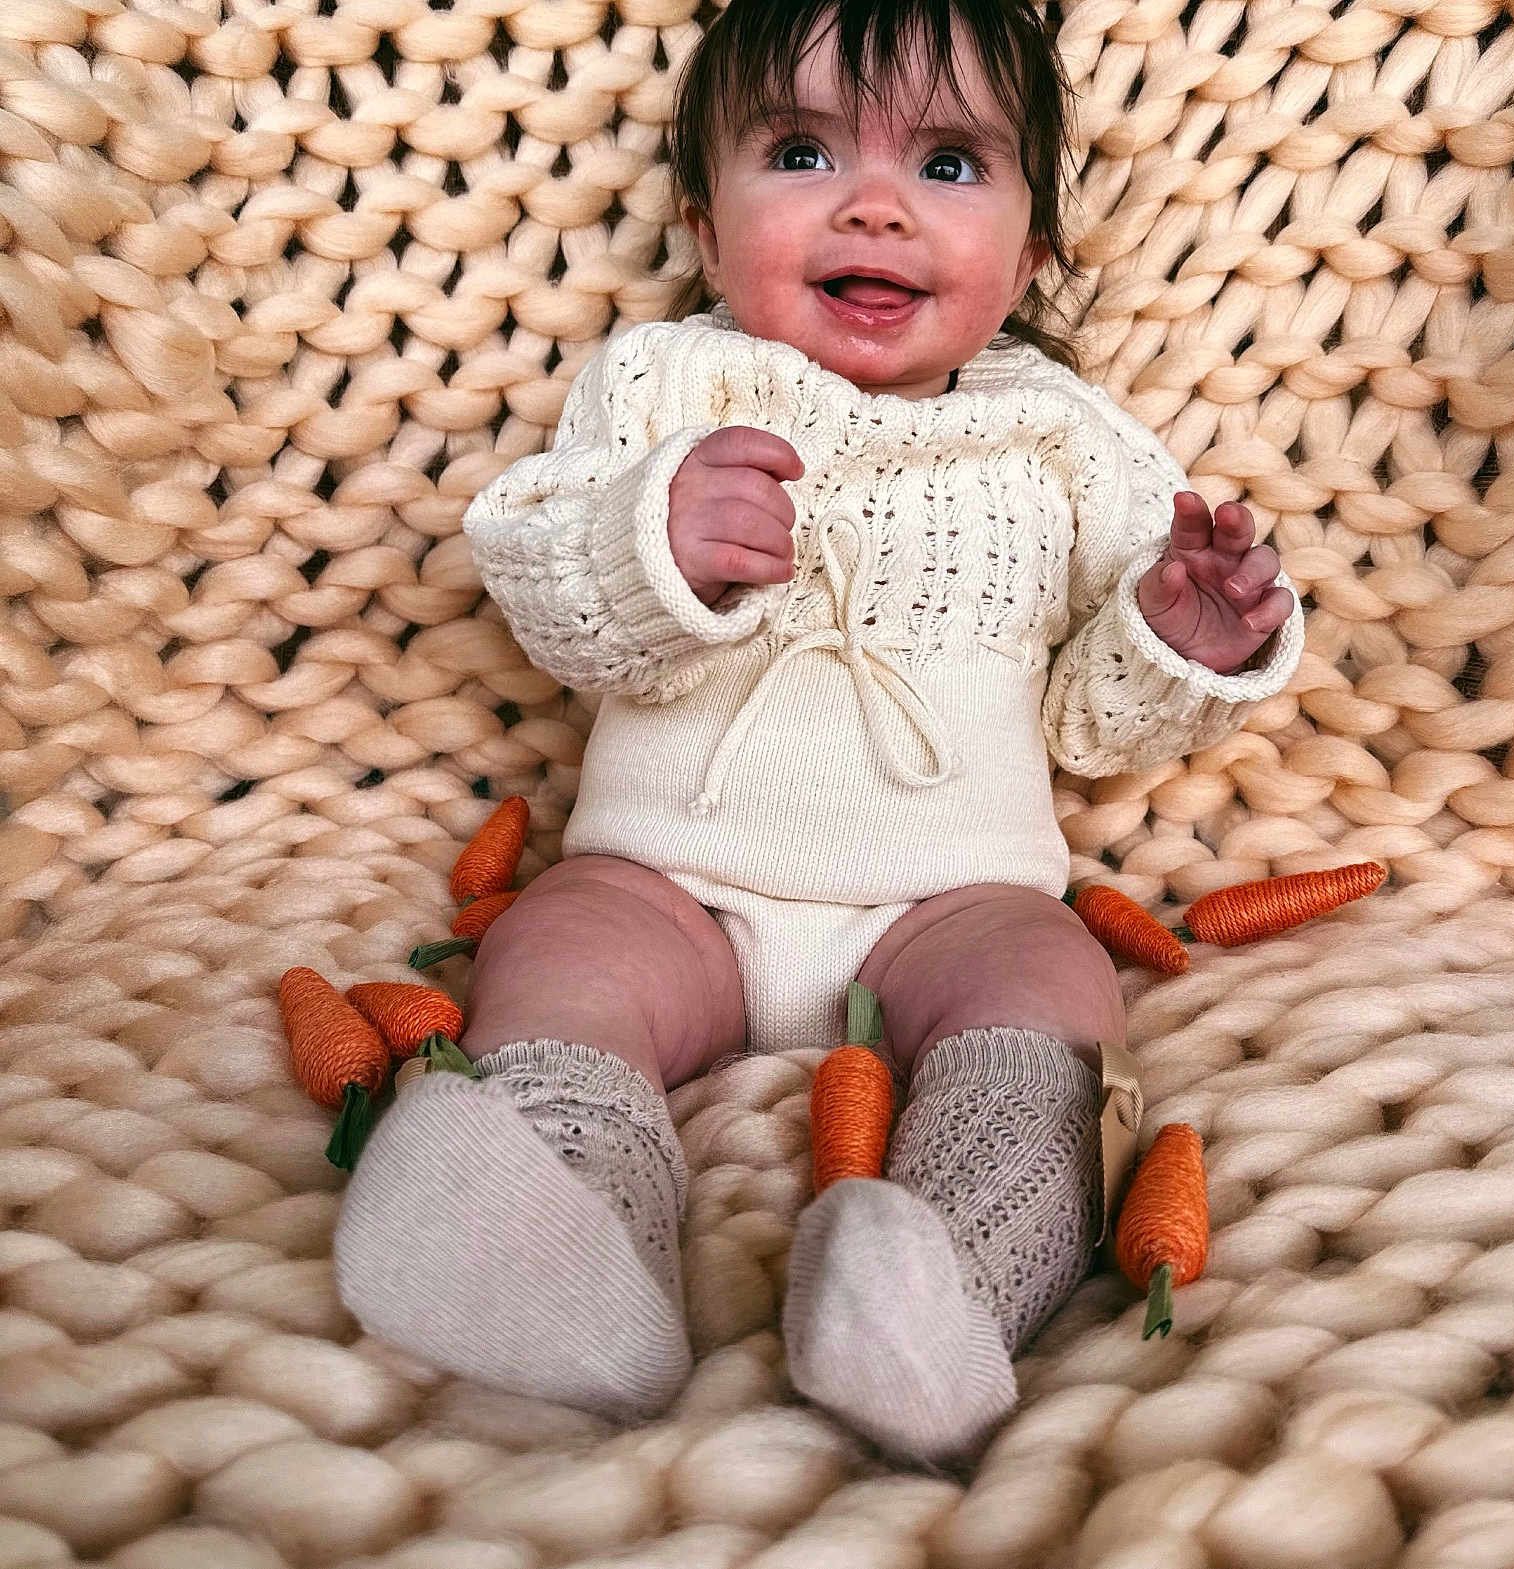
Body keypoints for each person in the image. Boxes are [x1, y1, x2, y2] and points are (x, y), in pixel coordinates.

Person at [333, 0, 1303, 1468]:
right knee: (552, 949)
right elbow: (541, 581)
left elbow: (1091, 721)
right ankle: (560, 1230)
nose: (873, 202)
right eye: (798, 150)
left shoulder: (1063, 439)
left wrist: (1183, 632)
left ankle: (944, 1279)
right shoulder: (667, 384)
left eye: (952, 166)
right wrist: (648, 537)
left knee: (1049, 984)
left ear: (1029, 252)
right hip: (672, 879)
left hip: (952, 894)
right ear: (704, 231)